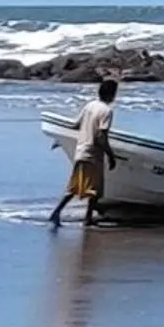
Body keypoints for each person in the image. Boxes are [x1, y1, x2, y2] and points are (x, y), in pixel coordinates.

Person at [49, 77, 118, 228]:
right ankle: (79, 217)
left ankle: (64, 213)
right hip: (92, 154)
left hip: (81, 151)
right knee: (94, 190)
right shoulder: (106, 111)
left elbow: (75, 125)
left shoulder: (90, 105)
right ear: (112, 94)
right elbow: (101, 136)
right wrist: (111, 155)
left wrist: (61, 139)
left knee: (76, 187)